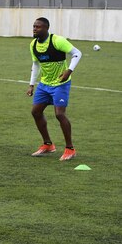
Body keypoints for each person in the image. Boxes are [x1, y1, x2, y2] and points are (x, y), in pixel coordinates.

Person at [26, 17, 82, 161]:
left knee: (59, 114)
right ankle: (48, 145)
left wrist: (69, 71)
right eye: (33, 26)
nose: (34, 29)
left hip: (60, 84)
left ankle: (70, 148)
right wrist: (32, 84)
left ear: (46, 28)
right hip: (44, 85)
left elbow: (77, 53)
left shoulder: (57, 40)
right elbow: (36, 65)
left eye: (37, 27)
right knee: (36, 112)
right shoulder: (33, 45)